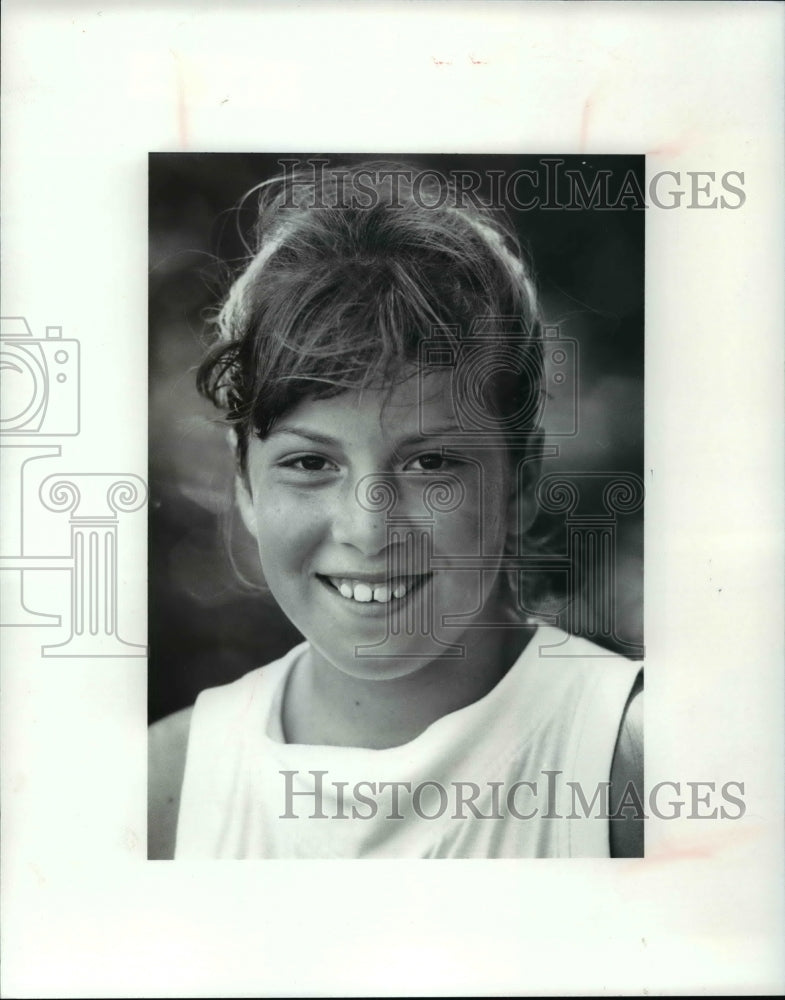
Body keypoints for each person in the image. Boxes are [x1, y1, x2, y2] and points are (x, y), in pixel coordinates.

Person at [148, 160, 643, 860]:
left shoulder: (631, 764)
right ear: (245, 486)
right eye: (310, 463)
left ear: (520, 482)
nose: (368, 529)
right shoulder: (164, 790)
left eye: (430, 463)